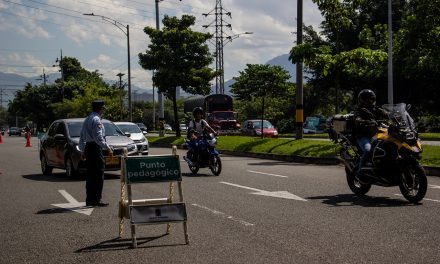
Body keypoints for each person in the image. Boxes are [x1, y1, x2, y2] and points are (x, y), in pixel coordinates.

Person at [79, 100, 113, 207]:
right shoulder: (96, 119)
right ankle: (97, 199)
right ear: (100, 109)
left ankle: (90, 199)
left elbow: (82, 136)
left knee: (90, 175)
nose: (104, 110)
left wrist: (82, 150)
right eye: (103, 108)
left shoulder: (88, 118)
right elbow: (98, 137)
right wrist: (107, 148)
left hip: (89, 148)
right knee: (98, 174)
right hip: (95, 148)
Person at [353, 89, 389, 177]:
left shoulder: (376, 109)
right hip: (363, 136)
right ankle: (360, 171)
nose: (369, 101)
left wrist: (393, 115)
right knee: (368, 150)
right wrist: (360, 120)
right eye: (366, 99)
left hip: (377, 134)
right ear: (361, 100)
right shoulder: (359, 111)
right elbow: (357, 118)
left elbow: (387, 114)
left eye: (371, 99)